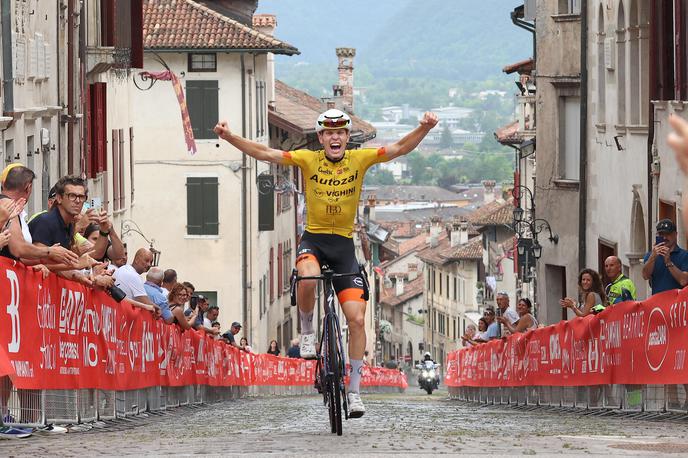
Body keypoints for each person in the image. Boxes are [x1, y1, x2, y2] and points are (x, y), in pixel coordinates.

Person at [214, 108, 439, 418]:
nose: (335, 137)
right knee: (306, 277)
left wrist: (424, 128)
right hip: (315, 240)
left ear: (347, 138)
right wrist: (229, 137)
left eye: (341, 132)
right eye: (329, 133)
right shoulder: (308, 159)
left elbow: (399, 148)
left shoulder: (360, 160)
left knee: (357, 319)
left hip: (344, 246)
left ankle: (355, 391)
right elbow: (265, 152)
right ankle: (307, 330)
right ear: (320, 138)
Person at [0, 166, 78, 268]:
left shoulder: (15, 208)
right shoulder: (7, 204)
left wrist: (43, 259)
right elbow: (18, 248)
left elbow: (22, 257)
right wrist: (49, 251)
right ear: (28, 187)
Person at [642, 219, 688, 295]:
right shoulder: (651, 255)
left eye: (667, 234)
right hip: (658, 303)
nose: (664, 237)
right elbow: (645, 276)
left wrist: (668, 262)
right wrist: (652, 257)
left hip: (676, 304)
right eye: (661, 234)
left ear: (675, 235)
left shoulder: (684, 255)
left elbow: (683, 281)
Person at [112, 248, 160, 314]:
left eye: (151, 262)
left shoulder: (123, 269)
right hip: (122, 315)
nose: (149, 264)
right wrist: (158, 309)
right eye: (146, 260)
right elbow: (144, 301)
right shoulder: (133, 275)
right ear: (137, 260)